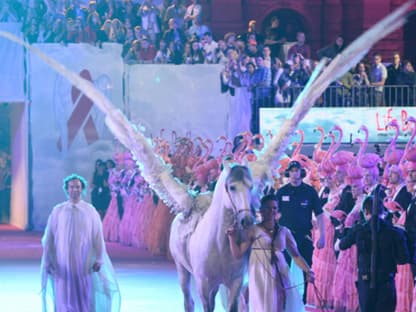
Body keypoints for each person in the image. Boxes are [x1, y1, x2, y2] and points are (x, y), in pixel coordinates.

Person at [41, 174, 120, 312]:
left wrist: (100, 258)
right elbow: (49, 238)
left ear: (82, 189)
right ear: (66, 189)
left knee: (84, 292)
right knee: (64, 292)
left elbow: (98, 237)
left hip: (84, 261)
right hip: (63, 261)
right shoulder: (58, 211)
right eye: (71, 187)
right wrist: (48, 261)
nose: (75, 190)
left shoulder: (90, 211)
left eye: (78, 187)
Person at [227, 194, 314, 312]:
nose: (271, 211)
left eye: (274, 208)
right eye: (268, 208)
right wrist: (231, 238)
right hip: (259, 273)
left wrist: (308, 270)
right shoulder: (252, 230)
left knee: (279, 303)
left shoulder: (284, 231)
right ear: (261, 210)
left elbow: (296, 255)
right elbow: (238, 254)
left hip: (280, 272)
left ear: (278, 211)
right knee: (262, 305)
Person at [338, 194, 410, 312]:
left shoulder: (359, 229)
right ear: (383, 211)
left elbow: (341, 245)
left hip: (366, 282)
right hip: (386, 282)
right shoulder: (395, 232)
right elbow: (403, 259)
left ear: (365, 211)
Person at [275, 160, 325, 301]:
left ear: (301, 173)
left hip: (303, 236)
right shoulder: (281, 192)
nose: (295, 173)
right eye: (292, 170)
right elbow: (274, 214)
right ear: (288, 173)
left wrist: (322, 236)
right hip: (284, 237)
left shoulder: (309, 192)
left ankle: (303, 301)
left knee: (307, 270)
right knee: (282, 269)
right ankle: (282, 299)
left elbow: (320, 214)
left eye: (297, 170)